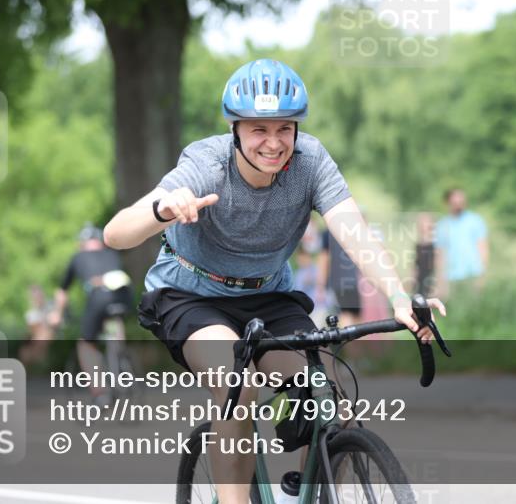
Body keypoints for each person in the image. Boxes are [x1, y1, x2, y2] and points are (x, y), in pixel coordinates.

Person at [102, 58, 444, 504]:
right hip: (190, 295)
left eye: (284, 128)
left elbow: (353, 232)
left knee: (327, 393)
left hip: (267, 294)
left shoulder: (310, 162)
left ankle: (312, 493)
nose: (273, 142)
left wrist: (399, 295)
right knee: (236, 384)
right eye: (259, 130)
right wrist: (162, 209)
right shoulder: (206, 164)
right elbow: (116, 232)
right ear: (236, 130)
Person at [49, 223, 134, 401]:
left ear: (82, 244)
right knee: (114, 318)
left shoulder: (78, 257)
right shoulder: (112, 254)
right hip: (124, 296)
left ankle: (100, 393)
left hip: (98, 298)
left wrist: (57, 314)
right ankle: (120, 360)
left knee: (85, 344)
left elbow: (62, 291)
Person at [434, 188, 489, 298]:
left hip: (472, 274)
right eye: (455, 202)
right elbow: (440, 254)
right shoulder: (442, 225)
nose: (459, 205)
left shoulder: (475, 220)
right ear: (448, 203)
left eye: (461, 202)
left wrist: (482, 275)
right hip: (450, 277)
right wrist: (440, 281)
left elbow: (483, 248)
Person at [292, 222, 335, 327]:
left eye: (305, 256)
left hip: (321, 306)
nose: (302, 260)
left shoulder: (316, 270)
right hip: (307, 310)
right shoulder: (298, 275)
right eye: (300, 257)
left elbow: (326, 291)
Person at [319, 228, 363, 327]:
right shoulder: (353, 232)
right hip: (352, 281)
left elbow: (324, 260)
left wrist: (320, 286)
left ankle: (351, 342)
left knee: (346, 315)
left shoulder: (328, 234)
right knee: (355, 317)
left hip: (339, 282)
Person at [19, 285, 56, 365]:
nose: (37, 298)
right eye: (34, 296)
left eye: (38, 295)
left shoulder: (51, 306)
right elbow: (31, 331)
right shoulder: (31, 313)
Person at [413, 212, 437, 297]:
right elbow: (416, 265)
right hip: (420, 280)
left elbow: (437, 265)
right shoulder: (418, 244)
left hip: (431, 279)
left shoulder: (436, 244)